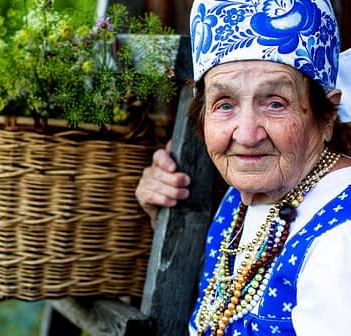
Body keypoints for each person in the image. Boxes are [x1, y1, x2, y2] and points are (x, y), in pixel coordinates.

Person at [135, 0, 351, 335]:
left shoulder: (342, 239)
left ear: (327, 116)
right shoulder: (241, 201)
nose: (247, 135)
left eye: (275, 103)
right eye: (224, 104)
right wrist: (162, 214)